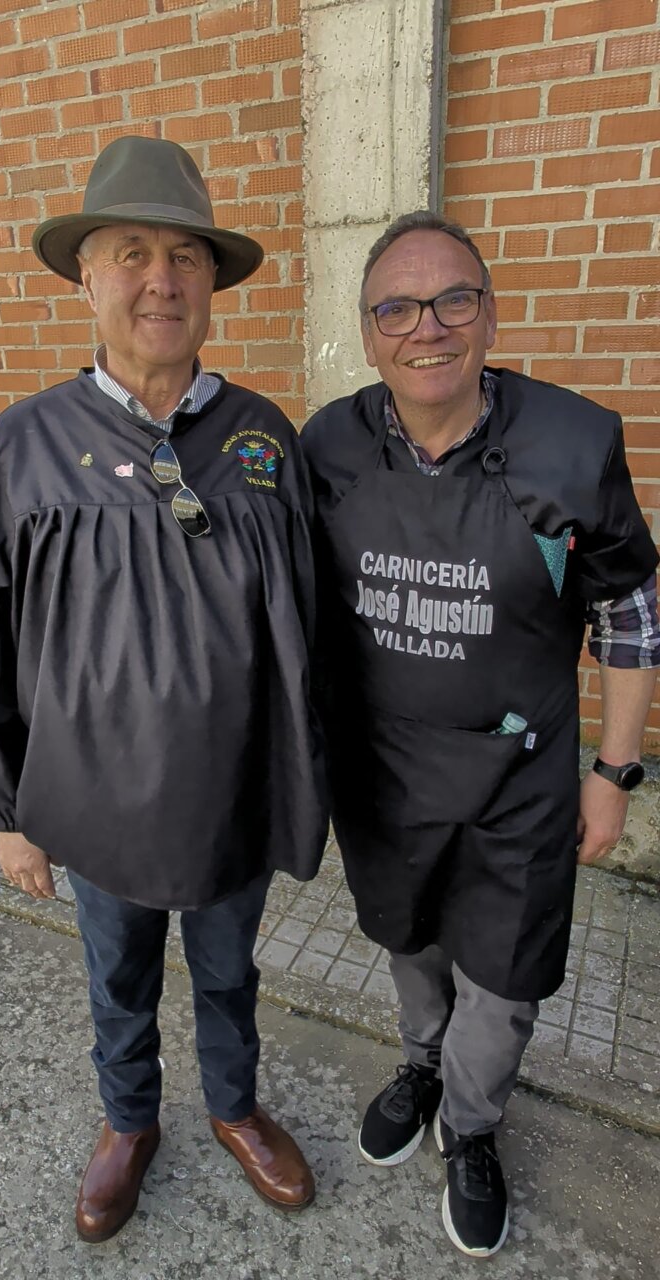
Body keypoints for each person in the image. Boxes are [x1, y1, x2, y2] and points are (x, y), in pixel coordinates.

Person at [0, 135, 327, 1244]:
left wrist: (305, 782)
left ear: (214, 281)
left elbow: (307, 628)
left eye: (185, 256)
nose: (160, 279)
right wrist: (11, 809)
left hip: (227, 791)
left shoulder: (264, 437)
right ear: (88, 275)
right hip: (94, 796)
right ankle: (129, 1120)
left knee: (228, 967)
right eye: (131, 253)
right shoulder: (26, 444)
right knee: (117, 975)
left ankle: (231, 1103)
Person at [300, 211, 659, 1257]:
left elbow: (632, 610)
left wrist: (616, 770)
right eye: (397, 307)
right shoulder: (328, 444)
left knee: (505, 974)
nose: (429, 326)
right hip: (388, 770)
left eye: (455, 298)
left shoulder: (574, 442)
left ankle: (472, 1121)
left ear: (490, 315)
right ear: (369, 335)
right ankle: (420, 1061)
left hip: (525, 777)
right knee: (410, 936)